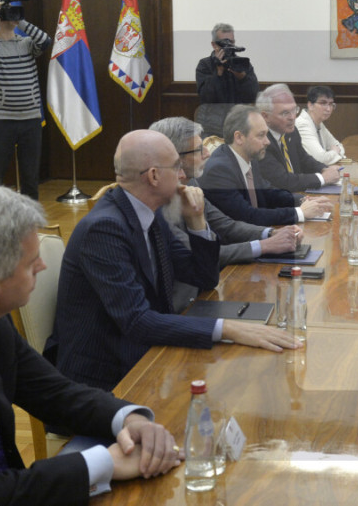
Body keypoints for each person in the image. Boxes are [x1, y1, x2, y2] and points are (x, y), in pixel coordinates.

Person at [0, 182, 183, 504]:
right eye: (31, 263)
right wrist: (103, 464)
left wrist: (128, 418)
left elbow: (54, 392)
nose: (42, 266)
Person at [51, 130, 298, 392]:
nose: (183, 175)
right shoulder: (104, 229)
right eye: (177, 167)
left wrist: (197, 221)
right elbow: (137, 321)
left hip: (146, 353)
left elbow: (204, 278)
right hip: (107, 378)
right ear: (154, 176)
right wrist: (228, 329)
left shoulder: (150, 214)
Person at [149, 116, 302, 311]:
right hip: (182, 304)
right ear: (173, 157)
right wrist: (264, 246)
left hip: (207, 288)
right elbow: (194, 255)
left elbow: (225, 225)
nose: (207, 153)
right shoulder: (155, 201)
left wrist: (271, 233)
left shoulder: (191, 182)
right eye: (199, 149)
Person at [199, 104, 333, 226]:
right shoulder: (219, 170)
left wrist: (303, 200)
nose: (267, 142)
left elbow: (267, 193)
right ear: (239, 137)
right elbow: (247, 216)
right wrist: (299, 213)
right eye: (261, 135)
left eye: (267, 135)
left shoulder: (250, 157)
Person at [0, 0, 51, 200]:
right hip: (2, 121)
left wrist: (21, 21)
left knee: (30, 179)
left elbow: (45, 41)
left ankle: (29, 218)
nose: (10, 16)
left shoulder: (26, 43)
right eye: (7, 13)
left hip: (31, 120)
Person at [257, 84, 341, 192]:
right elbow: (283, 181)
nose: (293, 117)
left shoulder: (291, 132)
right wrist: (323, 178)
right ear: (265, 116)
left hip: (298, 193)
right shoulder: (260, 142)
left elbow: (304, 159)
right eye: (285, 113)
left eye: (294, 110)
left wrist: (324, 169)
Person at [195, 23, 260, 138]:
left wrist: (242, 77)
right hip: (212, 127)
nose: (229, 46)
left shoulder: (242, 64)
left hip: (239, 124)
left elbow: (253, 95)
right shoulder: (205, 65)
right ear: (214, 45)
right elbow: (206, 98)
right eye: (225, 43)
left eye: (232, 42)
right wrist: (218, 72)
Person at [295, 85, 345, 166]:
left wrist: (333, 153)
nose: (328, 109)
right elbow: (321, 159)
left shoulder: (318, 123)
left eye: (331, 104)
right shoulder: (302, 124)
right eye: (323, 103)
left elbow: (338, 146)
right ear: (310, 105)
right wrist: (335, 152)